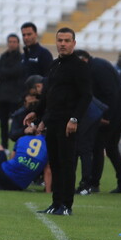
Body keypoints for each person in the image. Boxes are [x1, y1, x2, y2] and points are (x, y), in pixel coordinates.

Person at [31, 28, 91, 216]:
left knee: (67, 163)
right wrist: (37, 115)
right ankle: (55, 203)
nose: (63, 44)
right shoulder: (54, 64)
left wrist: (74, 119)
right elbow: (49, 95)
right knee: (55, 163)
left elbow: (86, 96)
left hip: (68, 123)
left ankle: (66, 205)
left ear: (74, 43)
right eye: (60, 40)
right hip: (53, 121)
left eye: (66, 40)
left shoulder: (79, 66)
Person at [75, 51, 121, 195]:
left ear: (83, 60)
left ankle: (93, 183)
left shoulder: (97, 67)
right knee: (110, 147)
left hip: (117, 110)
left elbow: (111, 93)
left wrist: (107, 117)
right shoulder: (96, 65)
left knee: (98, 145)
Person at [0, 34, 25, 146]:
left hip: (15, 97)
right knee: (3, 124)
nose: (12, 44)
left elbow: (18, 72)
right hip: (2, 96)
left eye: (14, 42)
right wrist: (8, 72)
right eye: (10, 41)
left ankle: (17, 147)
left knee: (17, 123)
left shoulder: (21, 57)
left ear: (18, 43)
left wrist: (4, 72)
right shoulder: (3, 56)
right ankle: (4, 146)